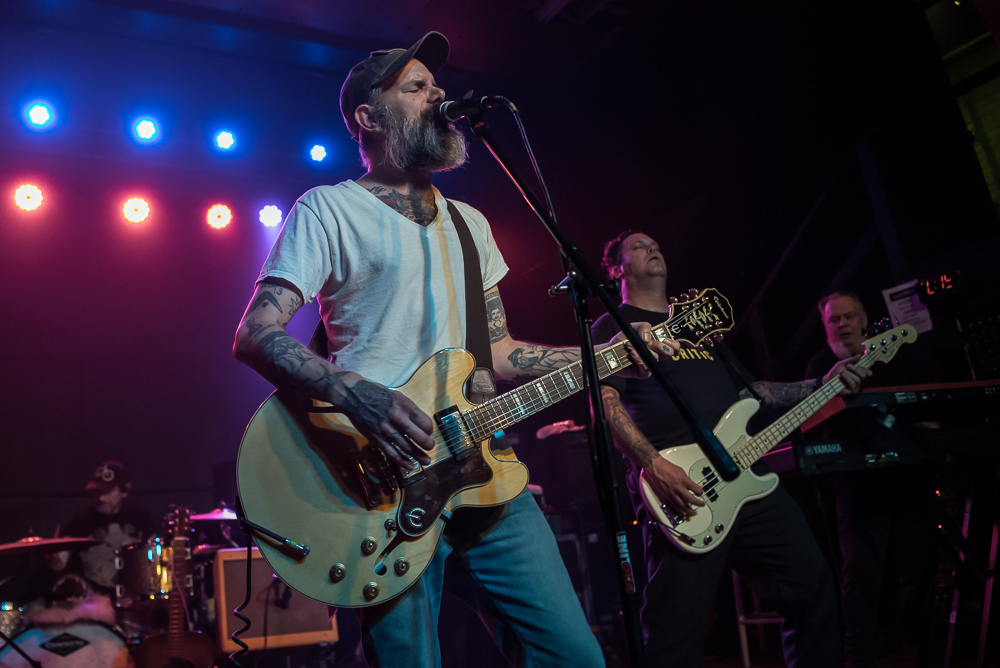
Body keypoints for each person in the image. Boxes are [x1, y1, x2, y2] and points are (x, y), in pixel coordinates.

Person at [232, 32, 671, 668]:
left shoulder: (470, 223)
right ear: (368, 117)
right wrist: (354, 393)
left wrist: (608, 355)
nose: (438, 93)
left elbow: (499, 351)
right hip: (380, 483)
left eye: (435, 85)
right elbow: (256, 331)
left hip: (487, 473)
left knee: (576, 657)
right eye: (415, 87)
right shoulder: (328, 209)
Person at [591, 230, 872, 668]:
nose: (654, 248)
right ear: (616, 268)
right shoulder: (613, 324)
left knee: (813, 585)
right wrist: (651, 463)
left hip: (744, 476)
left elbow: (755, 392)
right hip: (681, 487)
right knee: (672, 634)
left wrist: (822, 384)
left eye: (657, 243)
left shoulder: (697, 322)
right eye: (639, 246)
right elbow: (604, 404)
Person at [806, 291, 938, 668]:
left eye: (849, 316)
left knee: (919, 573)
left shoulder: (892, 354)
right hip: (855, 488)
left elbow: (918, 406)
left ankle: (925, 654)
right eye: (835, 320)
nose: (843, 324)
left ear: (864, 320)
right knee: (860, 581)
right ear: (826, 326)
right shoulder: (819, 364)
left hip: (905, 480)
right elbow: (812, 423)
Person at [47, 460, 154, 598]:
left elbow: (156, 557)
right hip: (92, 602)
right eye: (97, 491)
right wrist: (53, 556)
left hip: (135, 599)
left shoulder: (140, 518)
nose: (101, 497)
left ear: (125, 491)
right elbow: (58, 565)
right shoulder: (80, 521)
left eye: (108, 491)